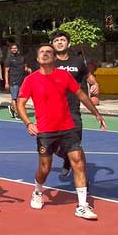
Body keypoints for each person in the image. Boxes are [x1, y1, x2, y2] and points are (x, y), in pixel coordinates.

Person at [16, 43, 106, 220]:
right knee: (45, 168)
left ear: (55, 57)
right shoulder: (31, 80)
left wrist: (96, 113)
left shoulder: (63, 76)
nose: (45, 54)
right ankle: (37, 191)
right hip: (45, 131)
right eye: (41, 52)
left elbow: (80, 94)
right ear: (37, 58)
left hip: (67, 127)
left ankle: (82, 205)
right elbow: (20, 104)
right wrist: (27, 123)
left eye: (49, 52)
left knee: (78, 161)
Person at [50, 31, 90, 178]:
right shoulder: (49, 63)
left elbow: (88, 76)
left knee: (76, 147)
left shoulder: (77, 61)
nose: (60, 42)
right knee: (54, 146)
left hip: (72, 111)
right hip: (53, 113)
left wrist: (95, 84)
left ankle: (84, 182)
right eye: (56, 40)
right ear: (52, 45)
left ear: (68, 43)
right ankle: (66, 157)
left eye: (62, 40)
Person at [4, 42, 30, 119]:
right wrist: (6, 83)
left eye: (15, 48)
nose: (14, 49)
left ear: (17, 49)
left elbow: (25, 67)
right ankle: (17, 113)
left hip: (21, 80)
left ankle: (12, 108)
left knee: (20, 98)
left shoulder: (22, 58)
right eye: (12, 48)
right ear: (11, 49)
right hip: (13, 80)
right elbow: (6, 71)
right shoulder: (9, 59)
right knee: (14, 98)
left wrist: (28, 69)